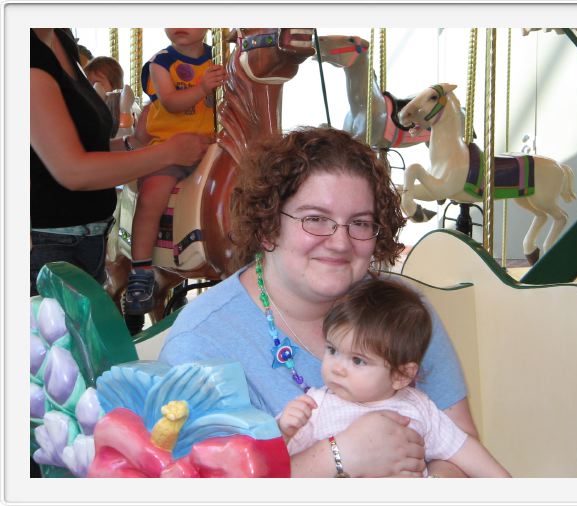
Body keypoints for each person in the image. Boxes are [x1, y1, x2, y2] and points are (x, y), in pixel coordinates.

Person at [159, 126, 478, 477]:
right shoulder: (203, 343)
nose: (340, 242)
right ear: (268, 226)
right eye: (315, 219)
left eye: (359, 223)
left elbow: (461, 452)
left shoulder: (401, 311)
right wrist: (335, 458)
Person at [30, 28, 212, 298]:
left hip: (92, 239)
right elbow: (71, 170)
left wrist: (133, 143)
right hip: (48, 244)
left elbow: (84, 144)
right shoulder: (24, 52)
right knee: (151, 197)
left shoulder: (61, 39)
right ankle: (141, 269)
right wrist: (167, 153)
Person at [278, 278, 511, 477]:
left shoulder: (419, 407)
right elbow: (276, 467)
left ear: (401, 375)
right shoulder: (316, 407)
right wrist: (283, 430)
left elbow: (461, 449)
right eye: (332, 350)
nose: (337, 368)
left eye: (358, 360)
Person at [124, 28, 227, 315]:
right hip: (170, 149)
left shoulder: (218, 60)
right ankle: (141, 270)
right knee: (151, 197)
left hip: (208, 149)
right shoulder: (162, 63)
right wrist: (203, 88)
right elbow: (170, 101)